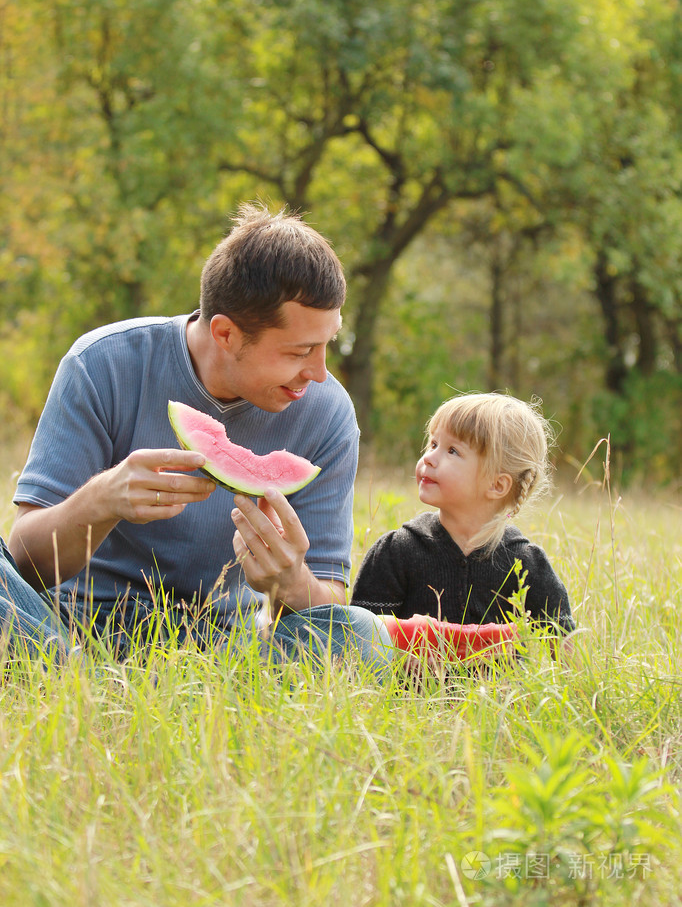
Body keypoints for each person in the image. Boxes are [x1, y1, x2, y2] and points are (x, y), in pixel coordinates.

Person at [3, 203, 391, 668]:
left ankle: (64, 677)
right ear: (226, 333)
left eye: (329, 343)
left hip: (226, 649)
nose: (320, 372)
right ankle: (67, 672)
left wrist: (289, 581)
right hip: (73, 628)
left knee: (361, 634)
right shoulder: (102, 364)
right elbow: (23, 563)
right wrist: (101, 500)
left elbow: (326, 599)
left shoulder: (327, 414)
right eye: (300, 351)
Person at [351, 393, 575, 657]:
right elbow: (362, 634)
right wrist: (400, 657)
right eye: (433, 444)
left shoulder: (525, 562)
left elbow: (562, 644)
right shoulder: (396, 551)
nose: (430, 458)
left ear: (497, 485)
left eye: (452, 451)